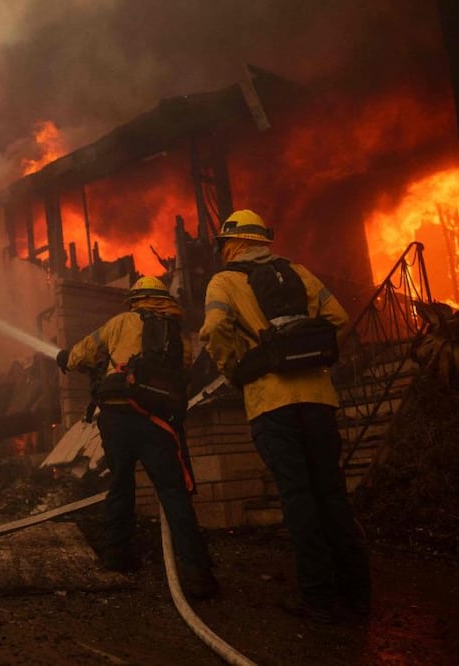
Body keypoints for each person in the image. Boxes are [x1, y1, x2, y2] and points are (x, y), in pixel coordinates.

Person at [199, 209, 370, 622]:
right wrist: (315, 355)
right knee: (331, 494)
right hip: (318, 398)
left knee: (298, 498)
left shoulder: (224, 280)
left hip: (271, 403)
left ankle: (318, 596)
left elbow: (214, 329)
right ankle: (357, 590)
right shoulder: (299, 273)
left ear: (231, 244)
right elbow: (339, 320)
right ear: (263, 240)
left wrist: (237, 368)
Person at [56, 276, 218, 599]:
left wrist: (66, 358)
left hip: (118, 417)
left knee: (120, 486)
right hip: (159, 421)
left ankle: (117, 558)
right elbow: (182, 375)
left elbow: (85, 351)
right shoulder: (179, 335)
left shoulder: (122, 322)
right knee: (174, 494)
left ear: (136, 299)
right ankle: (198, 576)